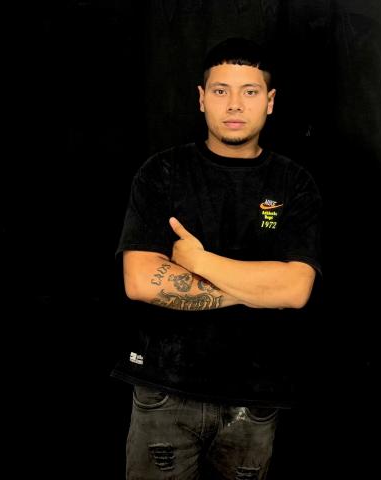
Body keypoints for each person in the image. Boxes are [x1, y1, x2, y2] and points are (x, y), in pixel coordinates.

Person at [113, 37, 322, 480]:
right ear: (201, 98)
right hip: (165, 392)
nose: (234, 104)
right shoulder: (162, 172)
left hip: (255, 397)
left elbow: (295, 290)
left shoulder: (295, 183)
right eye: (221, 90)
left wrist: (199, 262)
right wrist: (258, 290)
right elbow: (140, 281)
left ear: (269, 102)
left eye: (250, 91)